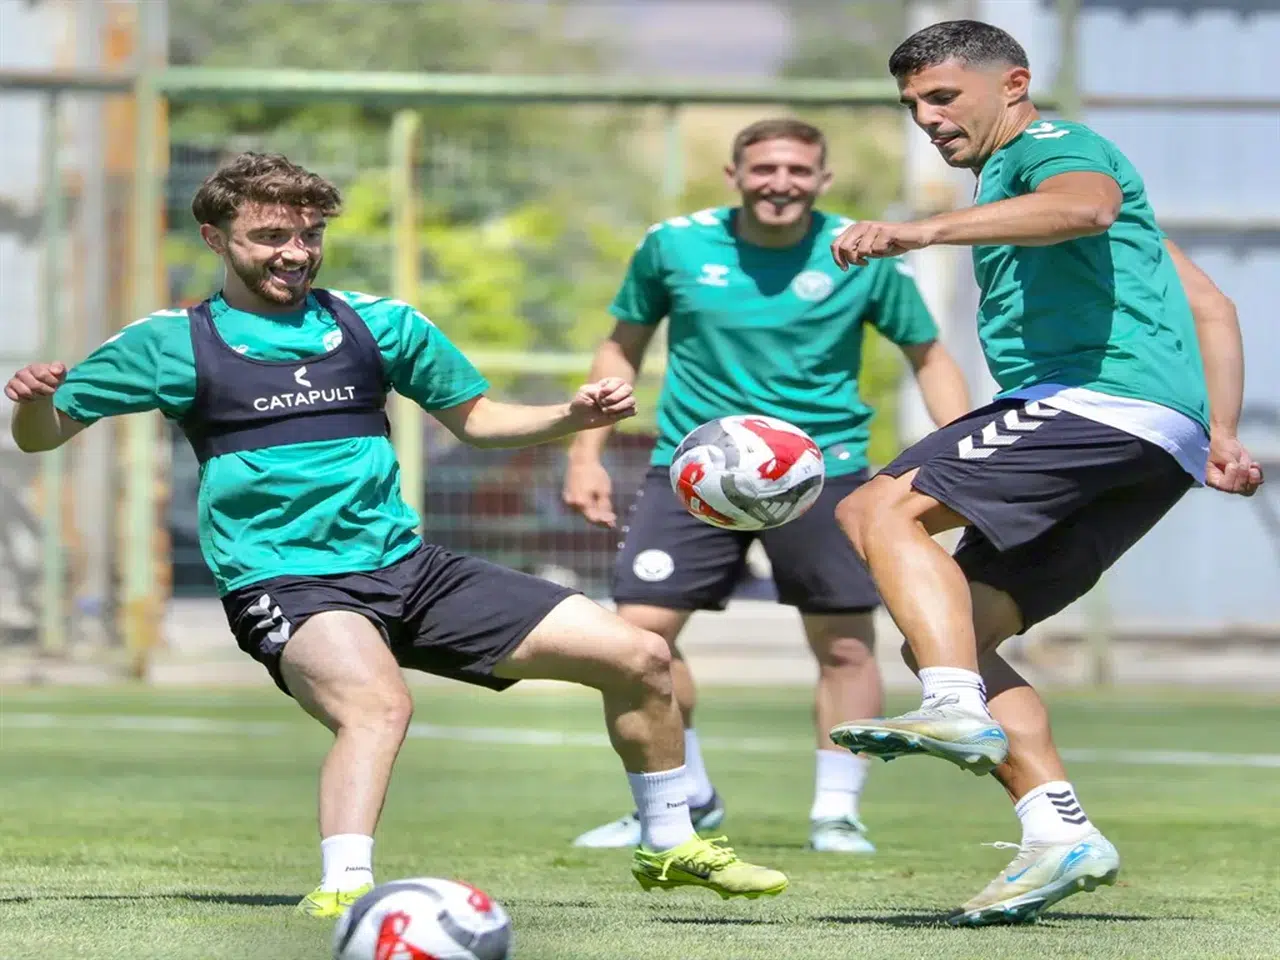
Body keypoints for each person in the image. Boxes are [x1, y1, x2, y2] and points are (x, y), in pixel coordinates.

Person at [4, 152, 789, 919]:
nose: (295, 253)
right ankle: (346, 887)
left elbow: (477, 420)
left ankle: (670, 842)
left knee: (641, 656)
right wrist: (36, 402)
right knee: (378, 705)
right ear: (215, 239)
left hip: (407, 567)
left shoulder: (377, 324)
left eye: (309, 235)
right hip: (284, 580)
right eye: (270, 237)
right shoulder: (171, 342)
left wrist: (569, 416)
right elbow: (43, 436)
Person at [826, 20, 1263, 925]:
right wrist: (1219, 431)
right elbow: (1212, 304)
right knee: (954, 632)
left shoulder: (1052, 150)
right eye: (913, 105)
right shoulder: (1022, 183)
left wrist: (922, 231)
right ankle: (1057, 831)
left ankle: (952, 707)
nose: (927, 118)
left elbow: (1085, 206)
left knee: (874, 511)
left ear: (1013, 85)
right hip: (1158, 440)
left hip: (1096, 402)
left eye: (943, 96)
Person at [562, 118, 971, 853]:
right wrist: (585, 455)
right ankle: (684, 798)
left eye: (797, 170)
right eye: (764, 169)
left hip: (823, 472)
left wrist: (962, 458)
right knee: (637, 641)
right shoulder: (674, 245)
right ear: (735, 176)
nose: (780, 183)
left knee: (845, 645)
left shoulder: (862, 252)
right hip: (694, 470)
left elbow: (929, 355)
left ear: (822, 179)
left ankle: (837, 813)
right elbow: (621, 345)